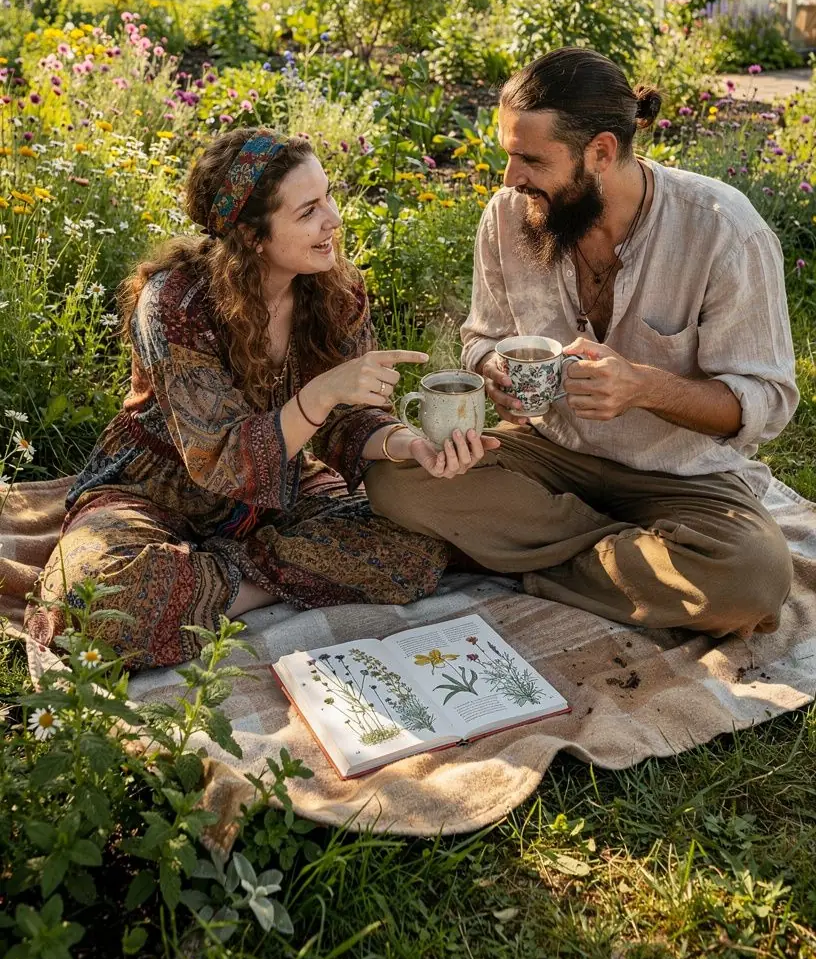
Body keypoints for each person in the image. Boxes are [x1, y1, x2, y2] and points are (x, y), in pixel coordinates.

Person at [367, 48, 799, 638]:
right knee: (395, 482)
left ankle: (526, 557)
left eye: (531, 159)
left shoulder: (723, 229)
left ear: (600, 151)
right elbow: (481, 338)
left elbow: (765, 403)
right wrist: (493, 367)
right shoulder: (508, 216)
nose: (511, 179)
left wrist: (644, 388)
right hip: (549, 451)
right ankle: (628, 560)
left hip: (680, 475)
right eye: (509, 156)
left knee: (750, 578)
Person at [27, 128, 497, 669]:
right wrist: (316, 397)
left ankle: (213, 582)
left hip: (280, 492)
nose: (334, 221)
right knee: (92, 604)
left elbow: (351, 418)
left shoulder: (336, 290)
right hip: (156, 487)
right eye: (308, 211)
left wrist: (407, 445)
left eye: (329, 197)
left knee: (415, 552)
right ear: (253, 237)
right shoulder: (175, 305)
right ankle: (255, 579)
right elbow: (218, 457)